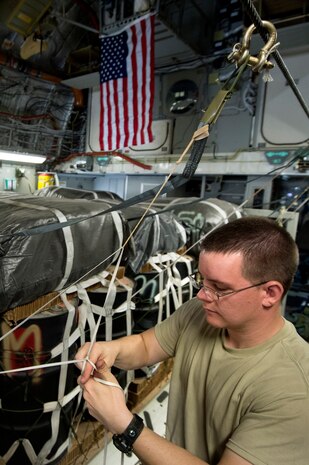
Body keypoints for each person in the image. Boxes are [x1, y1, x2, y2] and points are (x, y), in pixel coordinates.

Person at [75, 216, 309, 465]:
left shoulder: (294, 389)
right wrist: (109, 349)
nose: (202, 295)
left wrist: (126, 425)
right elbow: (145, 346)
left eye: (219, 288)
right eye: (202, 280)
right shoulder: (200, 313)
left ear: (270, 293)